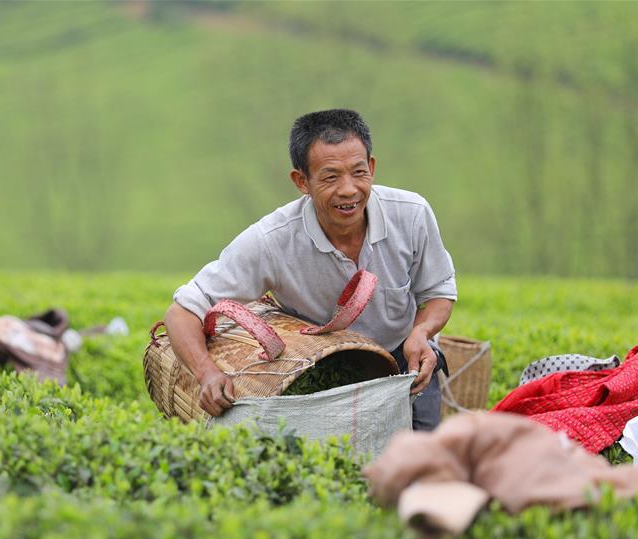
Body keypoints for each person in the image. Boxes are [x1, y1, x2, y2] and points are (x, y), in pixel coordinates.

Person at [164, 109, 457, 430]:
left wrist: (421, 333)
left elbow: (439, 293)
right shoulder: (272, 240)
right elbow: (182, 312)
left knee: (424, 459)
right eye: (331, 177)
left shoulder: (411, 214)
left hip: (406, 361)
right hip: (320, 372)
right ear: (301, 181)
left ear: (372, 167)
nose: (348, 190)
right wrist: (206, 372)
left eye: (358, 172)